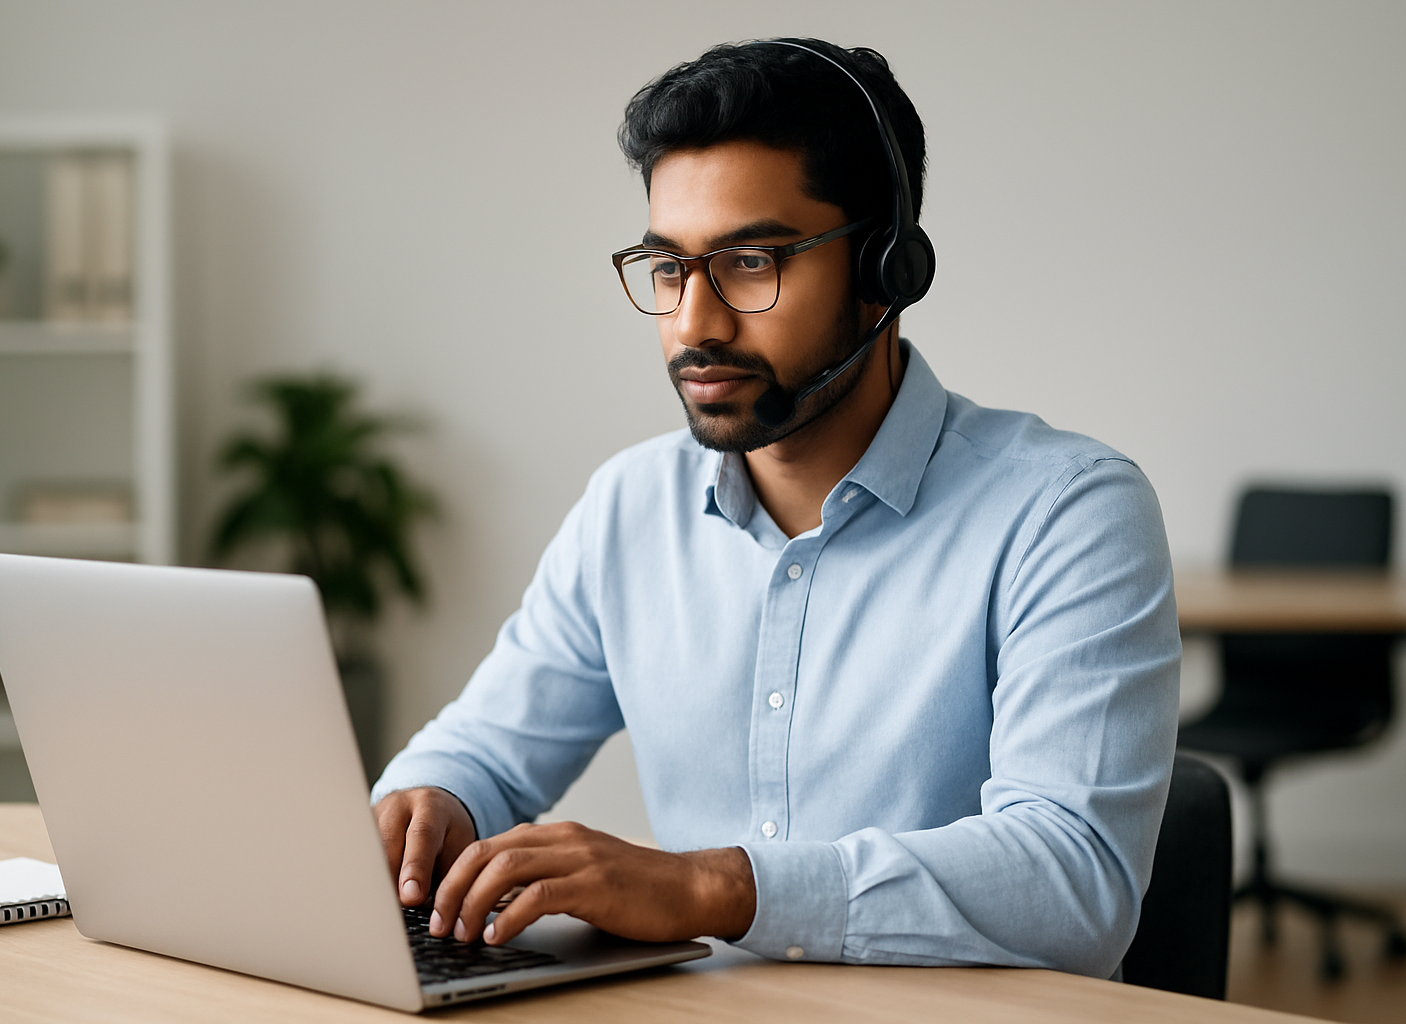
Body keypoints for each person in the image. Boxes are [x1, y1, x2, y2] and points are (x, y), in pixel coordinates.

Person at [370, 37, 1180, 979]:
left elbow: (1073, 881)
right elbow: (489, 749)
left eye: (752, 262)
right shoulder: (632, 504)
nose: (694, 324)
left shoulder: (1069, 512)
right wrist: (432, 800)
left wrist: (713, 889)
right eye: (668, 268)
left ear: (888, 269)